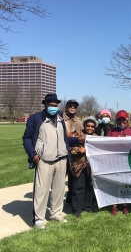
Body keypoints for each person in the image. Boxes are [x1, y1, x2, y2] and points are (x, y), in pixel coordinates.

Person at [22, 93, 84, 230]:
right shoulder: (36, 118)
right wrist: (33, 154)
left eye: (55, 106)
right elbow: (26, 138)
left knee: (59, 189)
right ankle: (38, 219)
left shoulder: (60, 118)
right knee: (41, 190)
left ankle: (55, 213)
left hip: (61, 158)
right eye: (51, 105)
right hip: (44, 159)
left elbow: (63, 139)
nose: (53, 108)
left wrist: (77, 140)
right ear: (45, 105)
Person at [107, 110, 131, 215]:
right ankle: (114, 206)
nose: (121, 122)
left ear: (127, 120)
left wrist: (124, 143)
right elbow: (105, 145)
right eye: (119, 119)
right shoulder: (111, 132)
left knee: (125, 183)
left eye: (123, 119)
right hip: (114, 162)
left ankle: (125, 206)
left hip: (126, 162)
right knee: (114, 183)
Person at [70, 116, 98, 217]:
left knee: (89, 187)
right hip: (78, 166)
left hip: (91, 167)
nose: (90, 128)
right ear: (84, 125)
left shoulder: (96, 137)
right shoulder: (77, 134)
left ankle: (88, 207)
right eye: (88, 126)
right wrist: (78, 150)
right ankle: (77, 209)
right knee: (78, 187)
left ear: (94, 128)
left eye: (92, 126)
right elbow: (69, 148)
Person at [63, 99, 83, 205]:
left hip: (74, 153)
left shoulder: (78, 121)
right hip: (62, 152)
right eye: (70, 106)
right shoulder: (60, 119)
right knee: (60, 177)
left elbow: (81, 136)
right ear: (66, 107)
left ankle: (71, 198)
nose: (72, 108)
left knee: (73, 177)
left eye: (74, 106)